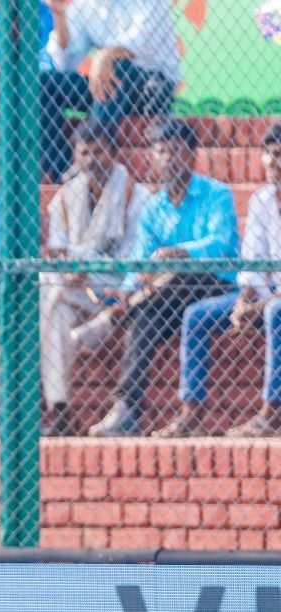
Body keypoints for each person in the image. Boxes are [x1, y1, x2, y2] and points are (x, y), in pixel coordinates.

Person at [88, 119, 237, 438]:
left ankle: (112, 320)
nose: (169, 158)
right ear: (153, 158)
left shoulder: (217, 194)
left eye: (176, 151)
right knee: (144, 316)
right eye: (161, 151)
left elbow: (222, 244)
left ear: (192, 154)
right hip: (167, 296)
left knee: (173, 276)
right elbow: (141, 261)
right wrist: (127, 291)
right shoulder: (153, 209)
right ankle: (127, 410)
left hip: (215, 283)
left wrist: (180, 252)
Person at [171, 124, 281, 439]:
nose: (274, 163)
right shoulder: (262, 200)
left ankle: (271, 414)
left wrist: (258, 306)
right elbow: (251, 261)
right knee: (197, 315)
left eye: (280, 156)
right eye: (269, 156)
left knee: (275, 313)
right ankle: (190, 414)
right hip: (263, 295)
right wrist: (243, 301)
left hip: (275, 303)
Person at [39, 119, 144, 436]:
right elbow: (57, 252)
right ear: (75, 156)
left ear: (112, 153)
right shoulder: (64, 199)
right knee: (54, 301)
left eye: (98, 152)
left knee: (47, 289)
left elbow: (130, 262)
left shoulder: (133, 196)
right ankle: (59, 410)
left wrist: (84, 263)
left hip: (115, 289)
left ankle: (8, 374)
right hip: (73, 289)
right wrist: (70, 269)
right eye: (84, 153)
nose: (91, 160)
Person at [39, 0, 180, 181]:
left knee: (121, 67)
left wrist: (106, 55)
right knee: (44, 84)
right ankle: (57, 170)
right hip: (110, 88)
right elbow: (64, 62)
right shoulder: (85, 5)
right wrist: (59, 16)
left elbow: (139, 42)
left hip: (153, 88)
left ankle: (91, 150)